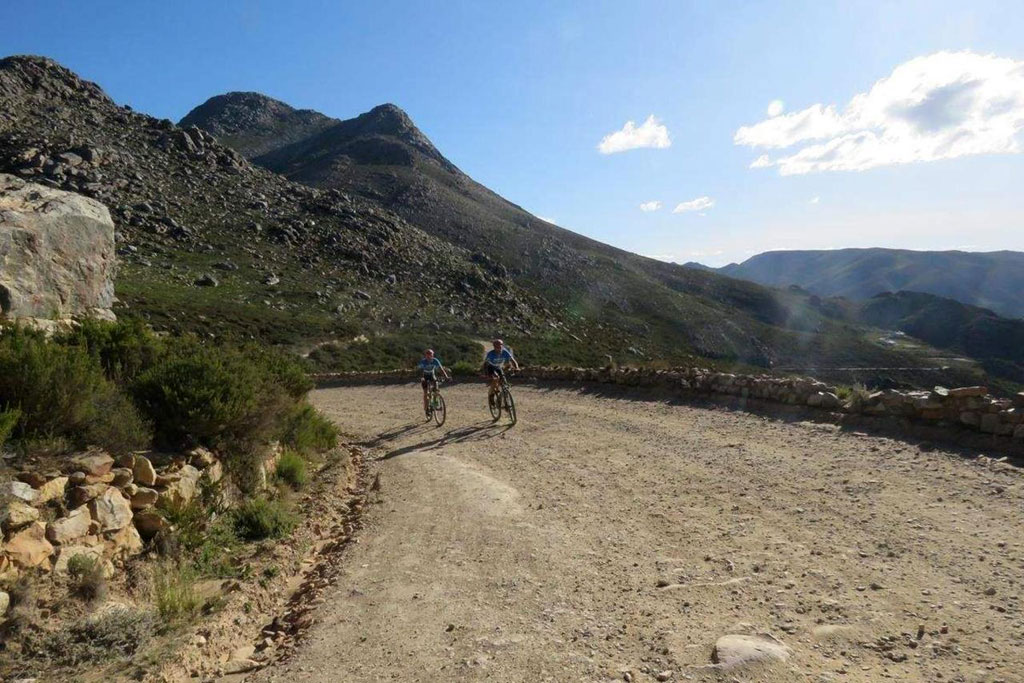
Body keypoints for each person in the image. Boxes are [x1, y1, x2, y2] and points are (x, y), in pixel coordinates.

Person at [482, 338, 519, 408]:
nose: (499, 347)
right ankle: (491, 395)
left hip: (498, 367)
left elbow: (512, 360)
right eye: (497, 346)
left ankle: (504, 399)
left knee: (504, 381)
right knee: (496, 378)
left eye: (500, 345)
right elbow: (485, 364)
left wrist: (516, 367)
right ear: (494, 347)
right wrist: (486, 373)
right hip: (490, 367)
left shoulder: (504, 351)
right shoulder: (491, 354)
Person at [418, 349, 450, 418]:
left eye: (431, 355)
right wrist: (422, 377)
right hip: (424, 376)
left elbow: (441, 369)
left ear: (433, 355)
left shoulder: (435, 360)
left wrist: (446, 376)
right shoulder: (423, 361)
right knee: (425, 393)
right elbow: (420, 370)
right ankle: (426, 408)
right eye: (428, 355)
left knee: (436, 386)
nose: (429, 356)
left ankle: (435, 402)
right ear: (425, 356)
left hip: (432, 375)